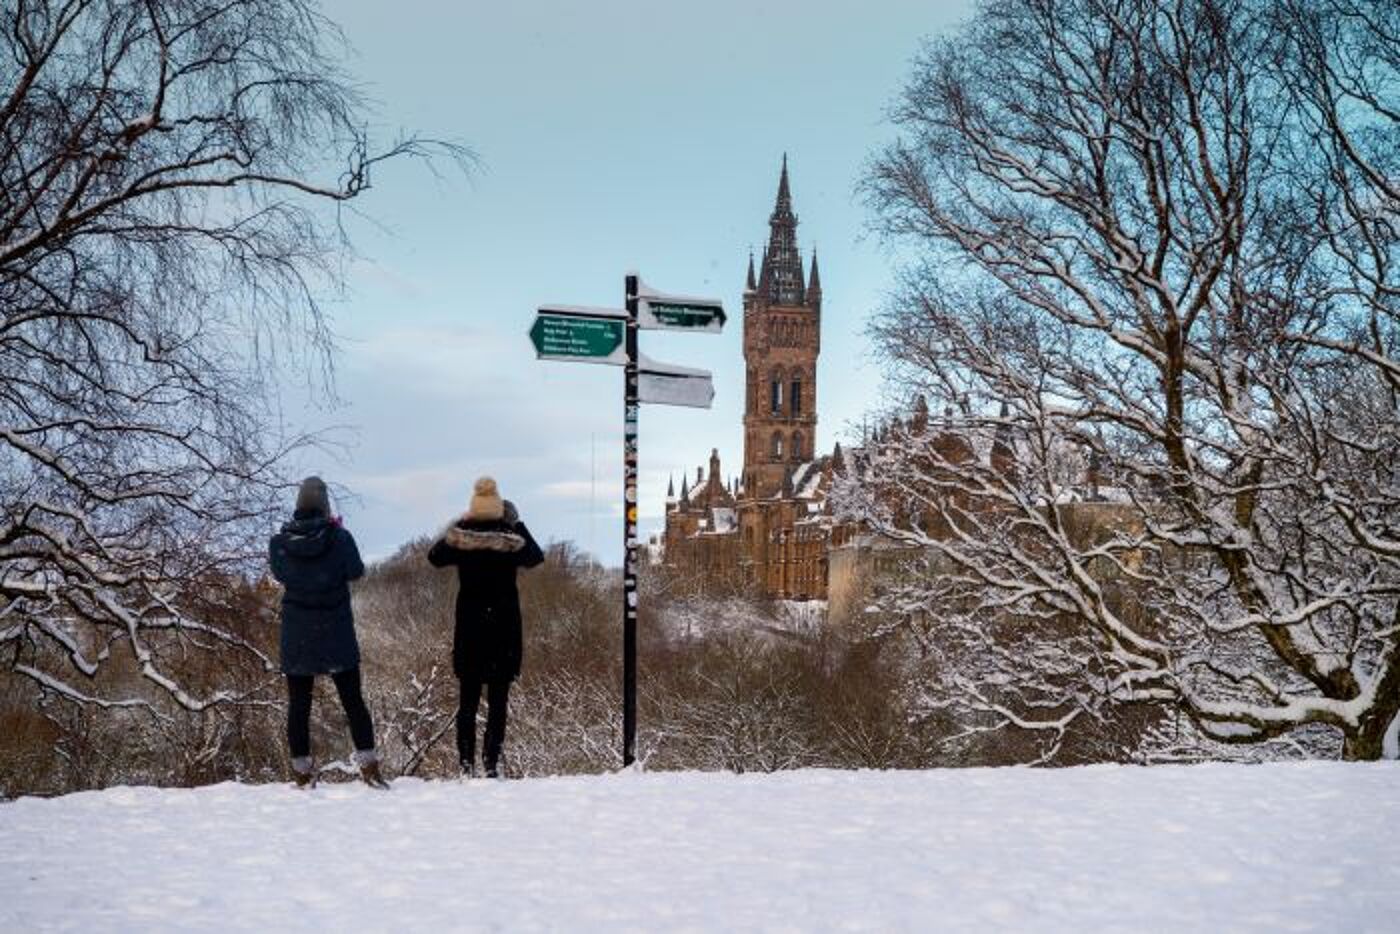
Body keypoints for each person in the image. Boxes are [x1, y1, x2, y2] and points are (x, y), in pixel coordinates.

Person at [268, 476, 388, 790]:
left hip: (298, 635)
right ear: (325, 506)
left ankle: (302, 773)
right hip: (336, 631)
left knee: (299, 705)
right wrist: (335, 542)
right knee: (353, 702)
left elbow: (280, 573)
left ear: (298, 505)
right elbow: (356, 571)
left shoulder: (280, 543)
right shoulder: (339, 537)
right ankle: (369, 767)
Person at [428, 476, 544, 778]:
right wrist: (516, 523)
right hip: (503, 629)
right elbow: (535, 556)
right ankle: (492, 764)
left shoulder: (464, 540)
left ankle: (466, 765)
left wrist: (460, 524)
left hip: (470, 630)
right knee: (498, 702)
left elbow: (435, 557)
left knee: (467, 700)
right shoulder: (509, 538)